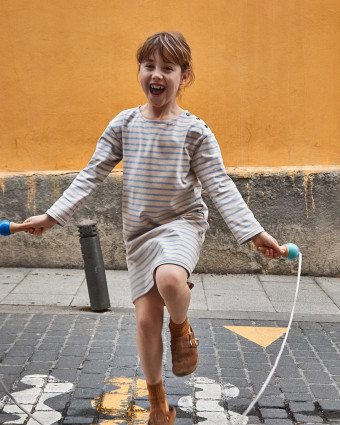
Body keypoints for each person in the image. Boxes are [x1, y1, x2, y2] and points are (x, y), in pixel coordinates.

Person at [20, 32, 284, 425]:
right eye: (149, 66)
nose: (156, 74)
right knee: (145, 322)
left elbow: (219, 184)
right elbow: (91, 174)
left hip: (182, 224)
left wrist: (253, 232)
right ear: (140, 71)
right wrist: (51, 215)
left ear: (184, 76)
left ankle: (181, 331)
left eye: (167, 68)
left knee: (172, 281)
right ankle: (159, 405)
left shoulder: (195, 131)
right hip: (139, 235)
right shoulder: (124, 124)